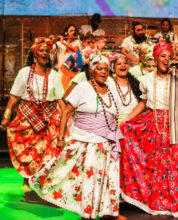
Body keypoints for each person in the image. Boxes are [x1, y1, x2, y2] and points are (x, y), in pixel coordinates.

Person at [30, 52, 126, 220]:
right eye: (100, 69)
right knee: (87, 180)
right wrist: (60, 137)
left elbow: (115, 114)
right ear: (91, 70)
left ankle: (108, 212)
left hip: (107, 144)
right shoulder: (82, 87)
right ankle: (86, 214)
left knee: (106, 180)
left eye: (106, 69)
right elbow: (66, 112)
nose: (104, 72)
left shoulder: (111, 90)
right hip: (86, 143)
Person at [120, 42, 178, 217]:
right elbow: (144, 103)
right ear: (156, 58)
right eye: (163, 56)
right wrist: (128, 119)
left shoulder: (177, 78)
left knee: (174, 165)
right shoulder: (147, 79)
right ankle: (156, 201)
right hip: (153, 124)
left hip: (175, 125)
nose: (166, 60)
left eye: (169, 57)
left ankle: (175, 201)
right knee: (156, 165)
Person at [0, 37, 65, 191]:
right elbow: (14, 97)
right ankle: (26, 179)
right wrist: (6, 117)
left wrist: (67, 116)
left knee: (49, 151)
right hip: (28, 117)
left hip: (49, 117)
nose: (44, 53)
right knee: (27, 150)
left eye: (47, 51)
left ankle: (44, 181)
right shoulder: (24, 73)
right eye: (41, 50)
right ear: (34, 54)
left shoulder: (54, 74)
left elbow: (60, 100)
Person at [108, 53, 141, 123]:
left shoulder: (136, 84)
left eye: (125, 63)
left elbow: (143, 103)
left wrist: (129, 118)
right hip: (115, 123)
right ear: (113, 67)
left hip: (136, 121)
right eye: (119, 64)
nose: (123, 65)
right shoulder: (109, 84)